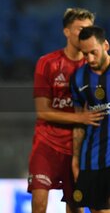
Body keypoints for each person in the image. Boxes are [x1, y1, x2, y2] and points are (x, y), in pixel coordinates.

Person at [28, 8, 104, 213]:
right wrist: (81, 117)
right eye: (80, 29)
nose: (85, 34)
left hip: (79, 146)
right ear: (67, 32)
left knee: (76, 204)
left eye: (89, 29)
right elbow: (42, 111)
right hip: (47, 143)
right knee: (39, 200)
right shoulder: (48, 63)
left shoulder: (94, 66)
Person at [70, 25, 110, 213]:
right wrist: (76, 158)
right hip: (91, 159)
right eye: (85, 55)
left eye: (93, 52)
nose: (90, 59)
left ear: (106, 46)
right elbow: (79, 122)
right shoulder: (79, 77)